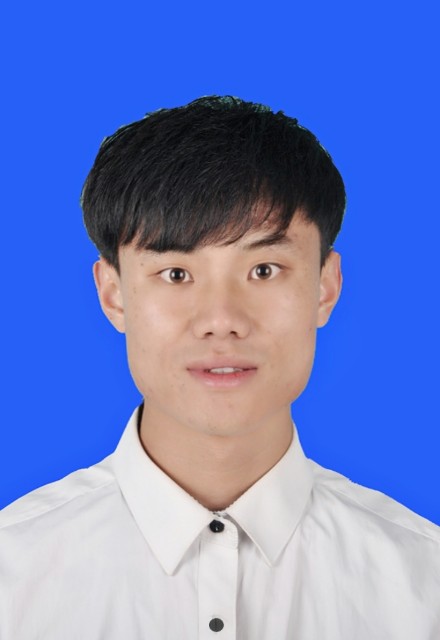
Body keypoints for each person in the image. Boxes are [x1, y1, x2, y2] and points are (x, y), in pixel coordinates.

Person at [0, 96, 439, 639]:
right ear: (113, 295)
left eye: (263, 269)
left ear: (325, 287)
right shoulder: (13, 576)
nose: (222, 321)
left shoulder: (423, 586)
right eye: (176, 275)